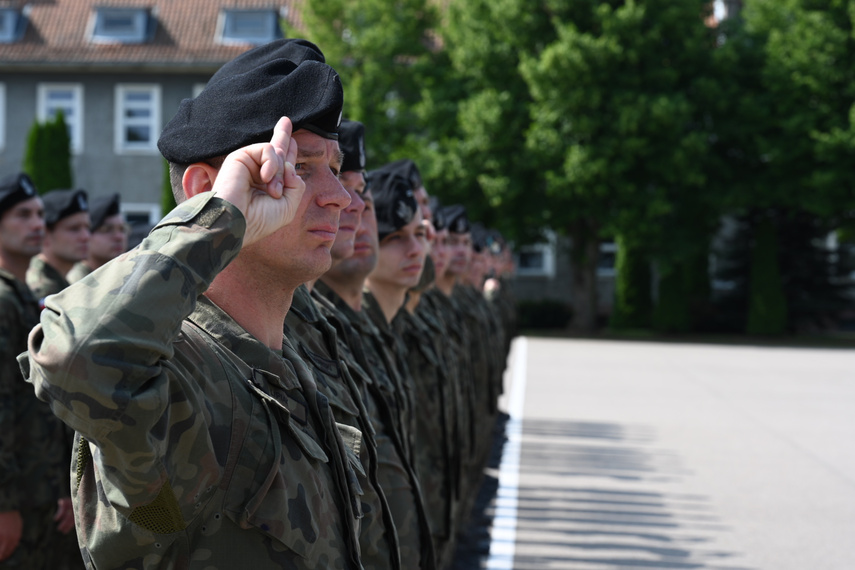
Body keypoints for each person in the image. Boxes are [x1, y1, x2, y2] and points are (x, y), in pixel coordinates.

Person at [19, 45, 365, 569]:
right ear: (205, 190)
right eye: (303, 167)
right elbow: (76, 357)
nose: (340, 196)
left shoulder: (285, 367)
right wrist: (217, 219)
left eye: (335, 169)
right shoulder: (184, 378)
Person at [314, 171, 436, 570]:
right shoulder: (317, 334)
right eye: (397, 236)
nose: (354, 209)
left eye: (364, 200)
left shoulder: (366, 330)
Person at [0, 173, 73, 569]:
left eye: (40, 215)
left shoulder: (23, 296)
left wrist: (59, 487)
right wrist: (3, 505)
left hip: (40, 496)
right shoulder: (3, 300)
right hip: (16, 503)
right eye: (22, 214)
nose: (36, 225)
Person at [26, 188, 90, 303]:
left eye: (87, 228)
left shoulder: (58, 279)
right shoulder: (43, 286)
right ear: (45, 233)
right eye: (74, 229)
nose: (85, 236)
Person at [67, 193, 128, 283]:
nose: (119, 237)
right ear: (87, 236)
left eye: (122, 229)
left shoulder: (121, 275)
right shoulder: (75, 281)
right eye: (106, 230)